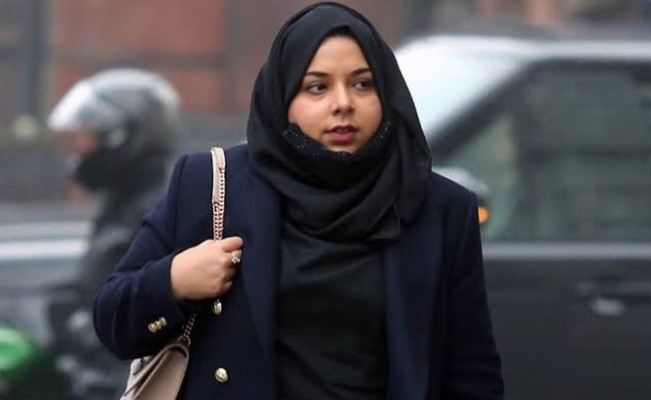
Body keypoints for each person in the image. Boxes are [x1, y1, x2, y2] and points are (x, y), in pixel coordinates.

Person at [93, 3, 504, 400]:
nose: (343, 103)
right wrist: (174, 281)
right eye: (317, 87)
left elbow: (472, 375)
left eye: (363, 84)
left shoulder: (440, 209)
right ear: (283, 100)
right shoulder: (211, 184)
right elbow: (113, 320)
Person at [47, 68, 182, 397]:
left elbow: (155, 317)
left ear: (124, 138)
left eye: (89, 137)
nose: (79, 151)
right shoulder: (122, 203)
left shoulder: (159, 210)